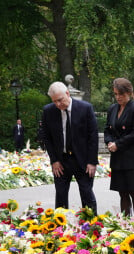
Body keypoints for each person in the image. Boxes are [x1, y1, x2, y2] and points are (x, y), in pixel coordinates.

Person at [42, 81, 98, 213]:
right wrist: (54, 160)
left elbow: (93, 137)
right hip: (61, 161)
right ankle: (61, 226)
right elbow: (47, 138)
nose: (57, 104)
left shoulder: (85, 108)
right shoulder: (48, 111)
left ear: (67, 93)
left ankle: (92, 225)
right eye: (54, 101)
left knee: (86, 193)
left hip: (83, 160)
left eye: (60, 100)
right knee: (60, 195)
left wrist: (92, 162)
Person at [104, 78, 134, 216]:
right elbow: (107, 129)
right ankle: (125, 224)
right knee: (122, 192)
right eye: (116, 94)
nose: (118, 97)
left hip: (133, 158)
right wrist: (109, 142)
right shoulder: (112, 108)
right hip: (118, 158)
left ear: (129, 93)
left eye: (121, 94)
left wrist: (118, 144)